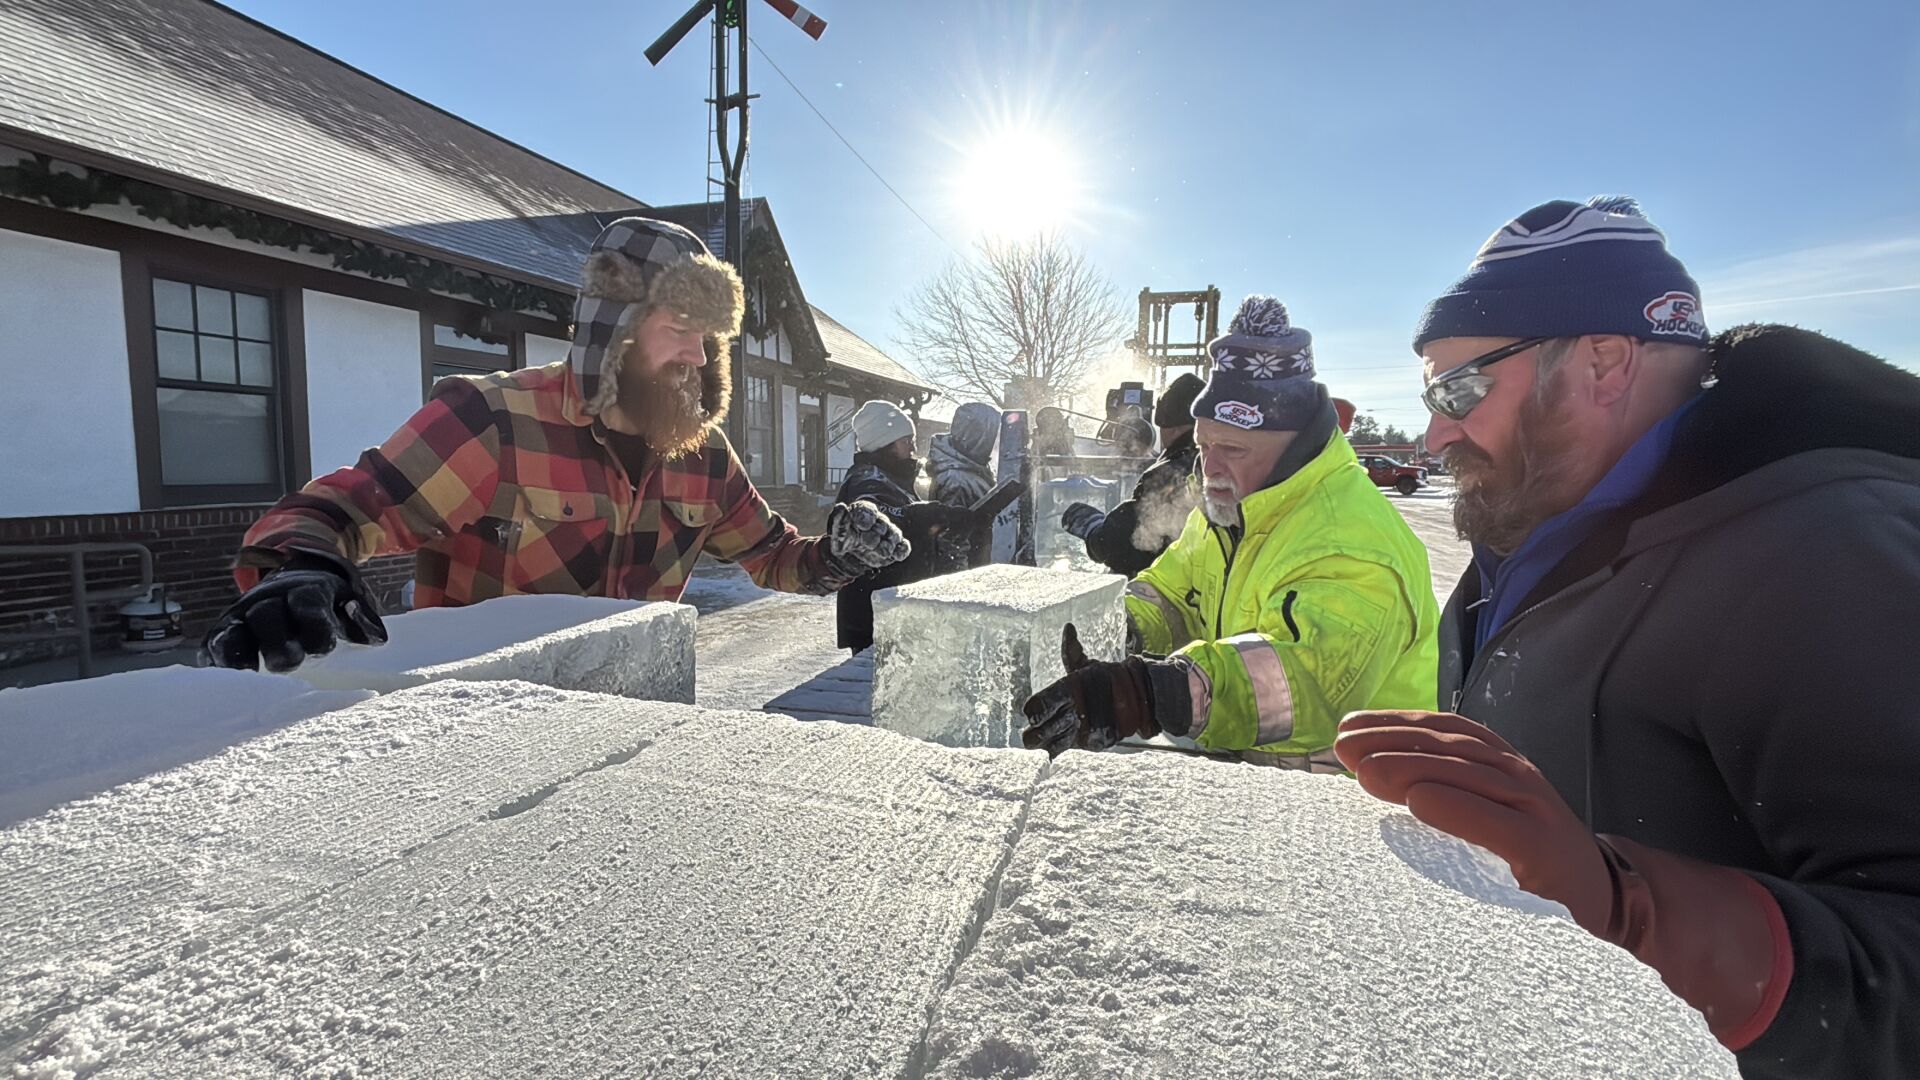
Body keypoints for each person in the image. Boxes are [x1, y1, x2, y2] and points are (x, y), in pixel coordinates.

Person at [1334, 195, 1920, 1079]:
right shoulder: (1530, 531)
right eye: (1430, 394)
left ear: (1605, 361)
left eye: (1460, 388)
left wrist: (1630, 913)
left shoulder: (1825, 551)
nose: (1434, 430)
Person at [204, 216, 909, 672]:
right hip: (478, 744)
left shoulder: (703, 453)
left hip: (638, 735)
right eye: (677, 328)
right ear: (616, 329)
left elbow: (773, 556)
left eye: (708, 336)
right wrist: (301, 565)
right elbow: (347, 507)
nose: (697, 354)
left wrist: (836, 557)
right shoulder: (494, 421)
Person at [1022, 296, 1439, 766]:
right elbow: (1170, 593)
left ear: (1292, 443)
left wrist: (1154, 694)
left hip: (1348, 807)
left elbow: (1302, 686)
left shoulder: (1352, 542)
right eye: (1203, 445)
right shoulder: (1226, 509)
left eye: (1233, 448)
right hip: (1253, 774)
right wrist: (1122, 631)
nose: (1210, 467)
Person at [833, 401, 975, 654]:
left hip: (890, 607)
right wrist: (936, 513)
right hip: (873, 611)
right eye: (905, 440)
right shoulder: (867, 479)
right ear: (885, 444)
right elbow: (876, 517)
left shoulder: (892, 478)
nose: (913, 446)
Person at [1059, 372, 1204, 576]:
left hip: (1167, 592)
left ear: (1168, 426)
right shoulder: (1216, 463)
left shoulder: (1171, 473)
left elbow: (1127, 545)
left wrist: (1094, 530)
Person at [925, 401, 1000, 574]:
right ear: (978, 436)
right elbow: (950, 546)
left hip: (978, 570)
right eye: (991, 435)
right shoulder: (956, 481)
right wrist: (962, 591)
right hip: (971, 578)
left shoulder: (971, 469)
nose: (994, 443)